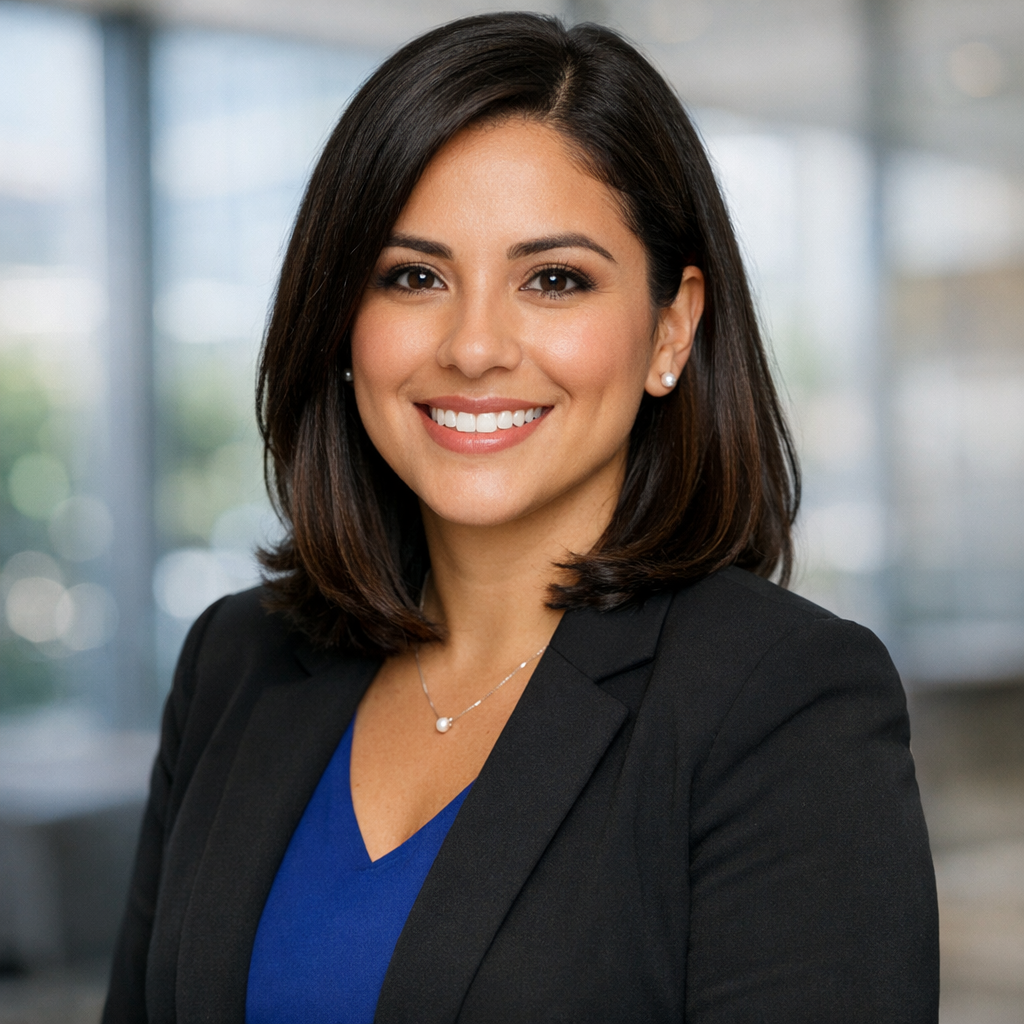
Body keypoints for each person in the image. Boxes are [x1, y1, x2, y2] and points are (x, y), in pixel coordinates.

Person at [103, 13, 938, 1024]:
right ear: (341, 320)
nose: (473, 346)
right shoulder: (239, 659)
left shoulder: (782, 700)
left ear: (671, 329)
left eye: (553, 280)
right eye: (414, 276)